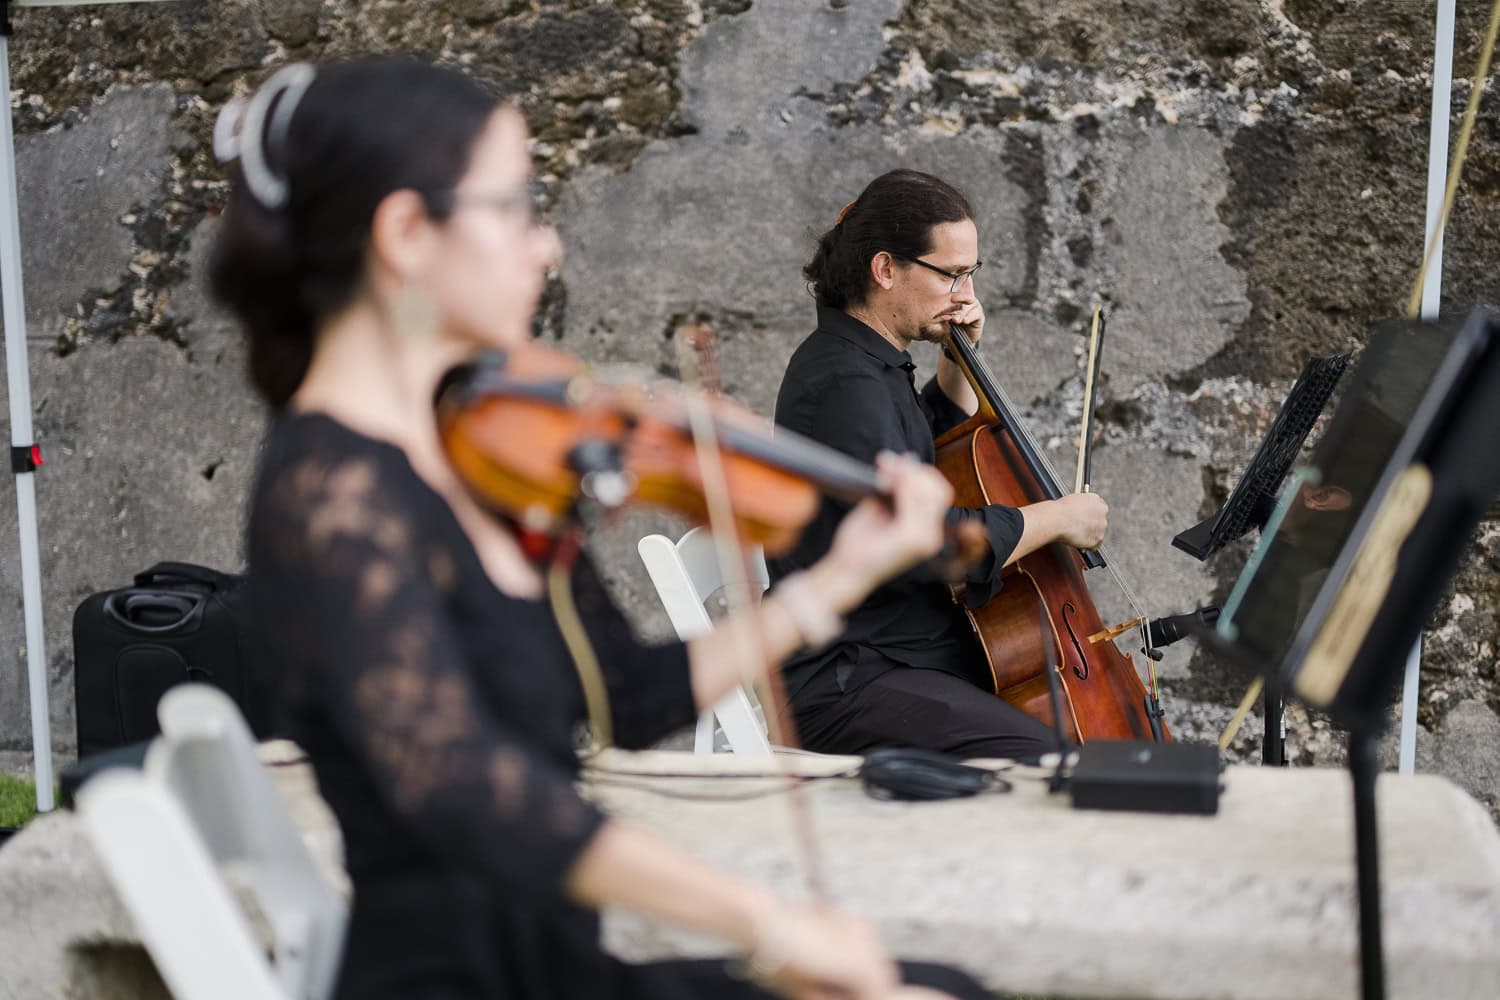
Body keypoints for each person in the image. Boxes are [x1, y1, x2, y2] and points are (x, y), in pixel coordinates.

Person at [210, 57, 991, 1000]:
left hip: (561, 966)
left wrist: (834, 580)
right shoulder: (327, 492)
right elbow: (472, 795)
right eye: (515, 209)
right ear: (408, 233)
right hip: (455, 984)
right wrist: (767, 923)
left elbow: (625, 697)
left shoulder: (487, 460)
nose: (547, 248)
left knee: (944, 985)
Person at [769, 169, 1112, 761]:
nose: (965, 293)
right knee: (1049, 761)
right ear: (885, 270)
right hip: (851, 678)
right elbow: (925, 544)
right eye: (951, 275)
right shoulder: (843, 383)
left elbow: (920, 445)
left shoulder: (871, 362)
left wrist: (957, 362)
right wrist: (1055, 519)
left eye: (970, 274)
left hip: (902, 655)